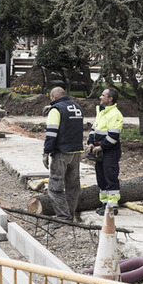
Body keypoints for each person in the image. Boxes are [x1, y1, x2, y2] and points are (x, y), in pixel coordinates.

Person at [42, 86, 84, 222]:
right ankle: (70, 215)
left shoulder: (56, 109)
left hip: (61, 152)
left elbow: (51, 133)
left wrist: (46, 152)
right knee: (73, 186)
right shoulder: (77, 107)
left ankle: (63, 217)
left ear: (53, 97)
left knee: (55, 187)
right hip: (76, 152)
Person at [86, 86, 124, 210]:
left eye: (103, 95)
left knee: (110, 176)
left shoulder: (115, 114)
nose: (100, 97)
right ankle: (104, 203)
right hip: (100, 149)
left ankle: (112, 207)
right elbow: (94, 129)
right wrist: (90, 143)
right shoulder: (102, 112)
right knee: (101, 177)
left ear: (110, 99)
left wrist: (101, 147)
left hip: (110, 150)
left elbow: (113, 136)